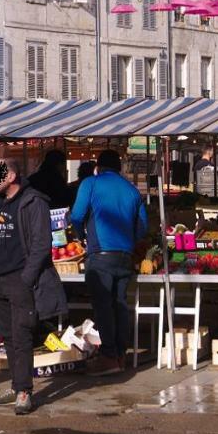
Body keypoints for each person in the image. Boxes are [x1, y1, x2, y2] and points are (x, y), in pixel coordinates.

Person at [0, 158, 66, 415]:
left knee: (22, 334)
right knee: (9, 336)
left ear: (11, 176)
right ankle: (16, 385)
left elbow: (41, 244)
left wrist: (26, 277)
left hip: (20, 278)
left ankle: (25, 391)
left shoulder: (33, 201)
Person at [70, 149, 149, 377]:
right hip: (124, 256)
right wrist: (128, 242)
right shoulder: (132, 190)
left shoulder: (90, 184)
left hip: (100, 255)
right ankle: (120, 355)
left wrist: (81, 237)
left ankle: (108, 357)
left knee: (103, 306)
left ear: (98, 166)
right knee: (119, 304)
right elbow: (142, 227)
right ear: (120, 168)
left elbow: (76, 216)